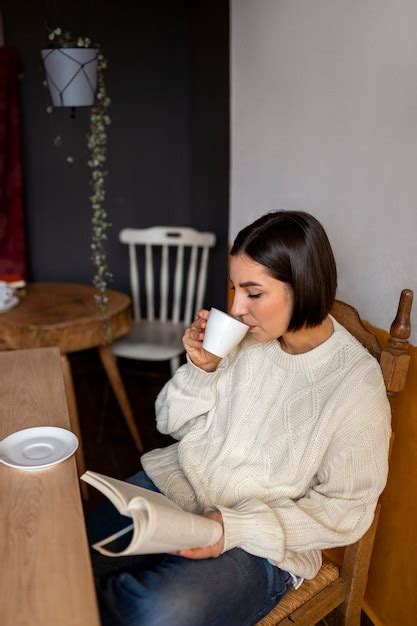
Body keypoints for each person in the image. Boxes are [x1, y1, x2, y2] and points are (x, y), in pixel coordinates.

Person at [88, 210, 391, 626]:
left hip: (260, 543)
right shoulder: (245, 342)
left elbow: (346, 512)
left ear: (302, 288)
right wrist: (202, 368)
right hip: (177, 489)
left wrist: (234, 527)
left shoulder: (355, 385)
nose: (236, 309)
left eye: (253, 293)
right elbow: (168, 422)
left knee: (153, 612)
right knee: (68, 553)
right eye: (234, 290)